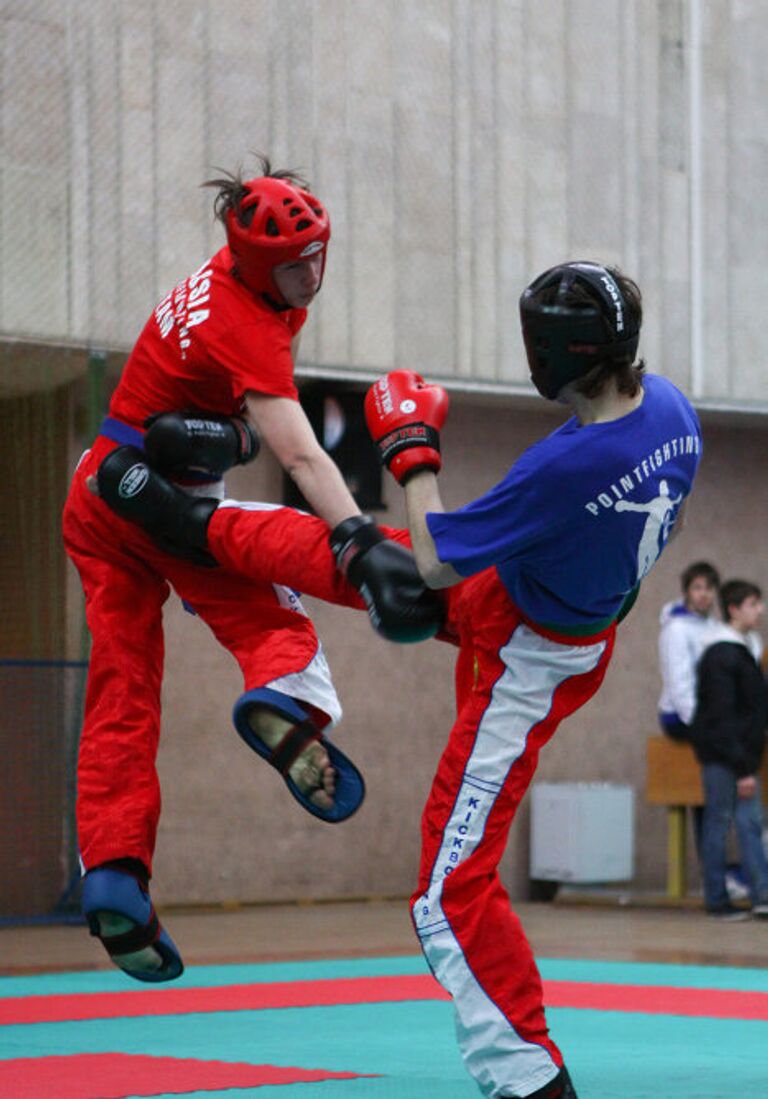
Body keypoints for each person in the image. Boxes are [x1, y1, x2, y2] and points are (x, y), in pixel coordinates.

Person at [95, 261, 701, 1099]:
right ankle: (192, 522)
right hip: (554, 611)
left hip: (527, 661)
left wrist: (411, 450)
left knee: (447, 896)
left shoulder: (568, 467)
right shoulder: (673, 409)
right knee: (368, 562)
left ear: (560, 349)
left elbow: (439, 555)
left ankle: (530, 1078)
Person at [62, 156, 443, 984]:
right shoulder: (249, 319)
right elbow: (301, 452)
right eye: (296, 266)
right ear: (259, 263)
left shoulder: (227, 274)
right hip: (160, 500)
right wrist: (353, 532)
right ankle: (289, 687)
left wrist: (226, 440)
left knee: (120, 690)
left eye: (318, 257)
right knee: (271, 580)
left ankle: (113, 874)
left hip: (99, 488)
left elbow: (211, 408)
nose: (311, 276)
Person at [691, 579, 768, 920]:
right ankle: (717, 899)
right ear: (734, 609)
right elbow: (722, 715)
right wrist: (740, 767)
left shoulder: (745, 650)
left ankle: (761, 894)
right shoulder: (721, 654)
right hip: (726, 756)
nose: (760, 610)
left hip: (740, 756)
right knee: (719, 824)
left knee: (749, 823)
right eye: (753, 604)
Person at [658, 561, 721, 741]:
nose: (703, 594)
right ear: (687, 591)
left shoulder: (713, 626)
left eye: (709, 588)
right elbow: (679, 684)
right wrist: (702, 723)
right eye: (697, 587)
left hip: (706, 709)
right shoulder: (676, 629)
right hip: (679, 717)